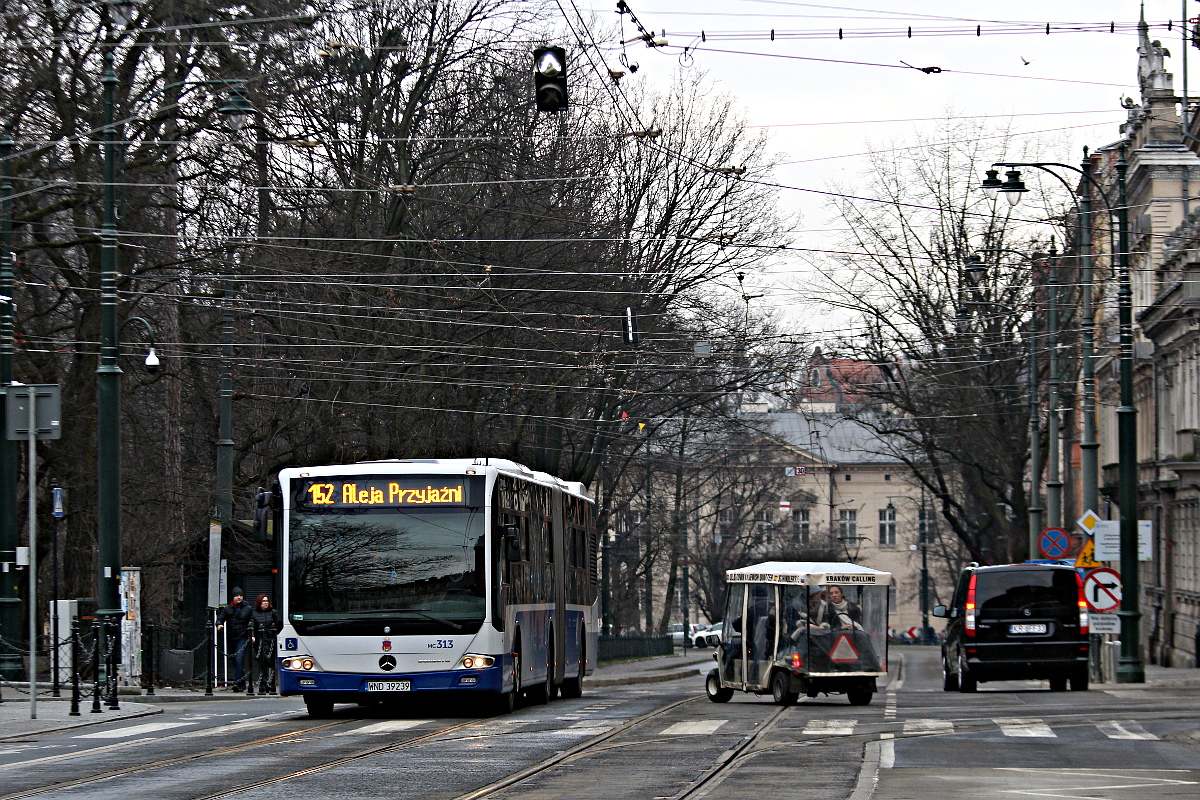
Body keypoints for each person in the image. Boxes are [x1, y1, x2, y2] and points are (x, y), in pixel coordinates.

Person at [216, 588, 253, 691]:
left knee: (239, 658)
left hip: (242, 637)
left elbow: (252, 622)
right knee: (235, 661)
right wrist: (219, 624)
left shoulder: (248, 609)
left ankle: (236, 681)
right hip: (231, 638)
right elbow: (221, 618)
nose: (239, 597)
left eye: (240, 595)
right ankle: (241, 682)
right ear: (233, 597)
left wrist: (252, 634)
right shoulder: (227, 609)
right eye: (237, 595)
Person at [250, 595, 280, 693]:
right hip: (260, 641)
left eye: (267, 601)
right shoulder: (254, 614)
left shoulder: (273, 613)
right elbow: (252, 625)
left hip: (271, 640)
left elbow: (278, 625)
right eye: (263, 601)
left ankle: (271, 684)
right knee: (262, 663)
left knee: (271, 663)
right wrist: (253, 636)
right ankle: (263, 683)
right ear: (259, 603)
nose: (266, 603)